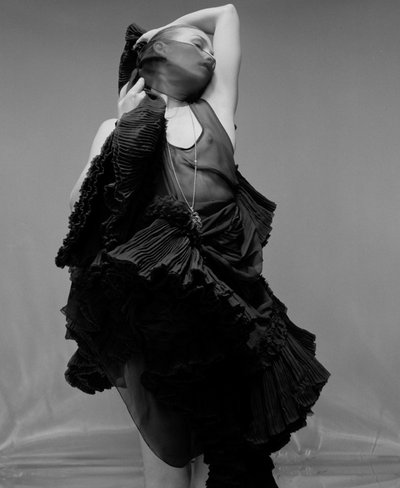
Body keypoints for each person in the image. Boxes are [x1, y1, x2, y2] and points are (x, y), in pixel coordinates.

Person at [56, 5, 331, 488]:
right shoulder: (116, 127)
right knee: (167, 458)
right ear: (161, 57)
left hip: (227, 307)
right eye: (196, 45)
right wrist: (125, 128)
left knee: (224, 445)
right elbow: (80, 209)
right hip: (155, 316)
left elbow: (226, 15)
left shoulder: (217, 110)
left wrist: (155, 33)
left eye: (209, 49)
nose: (210, 54)